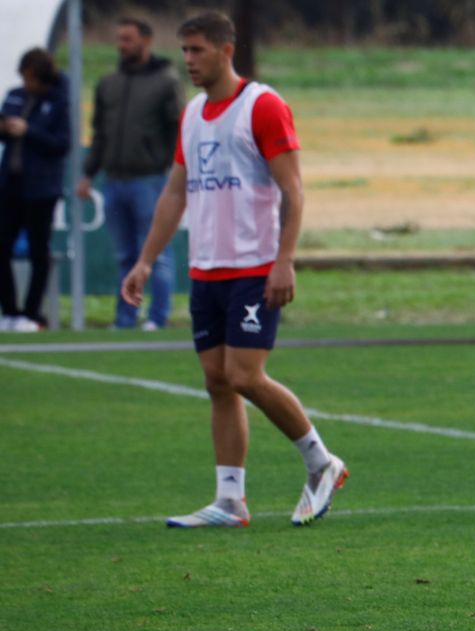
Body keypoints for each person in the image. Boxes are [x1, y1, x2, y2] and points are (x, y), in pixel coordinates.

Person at [120, 11, 348, 528]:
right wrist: (146, 260)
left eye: (197, 50)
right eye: (183, 52)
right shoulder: (194, 113)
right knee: (217, 381)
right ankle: (230, 500)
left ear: (226, 50)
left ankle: (321, 462)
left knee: (245, 375)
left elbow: (293, 189)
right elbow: (176, 191)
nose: (188, 61)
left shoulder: (262, 106)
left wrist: (284, 259)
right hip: (207, 269)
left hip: (254, 265)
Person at [80, 16, 184, 331]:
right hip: (113, 180)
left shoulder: (166, 80)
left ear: (146, 41)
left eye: (128, 39)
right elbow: (99, 132)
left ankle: (157, 317)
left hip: (150, 179)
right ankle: (125, 318)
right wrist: (89, 173)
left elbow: (178, 129)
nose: (121, 45)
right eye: (119, 39)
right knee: (125, 255)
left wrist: (170, 168)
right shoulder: (108, 83)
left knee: (156, 253)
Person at [0, 48, 71, 333]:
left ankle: (31, 315)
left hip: (41, 189)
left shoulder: (58, 102)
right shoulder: (15, 95)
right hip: (10, 187)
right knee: (1, 248)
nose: (27, 84)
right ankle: (10, 312)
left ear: (43, 78)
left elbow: (61, 144)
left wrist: (28, 130)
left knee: (38, 253)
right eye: (24, 78)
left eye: (32, 79)